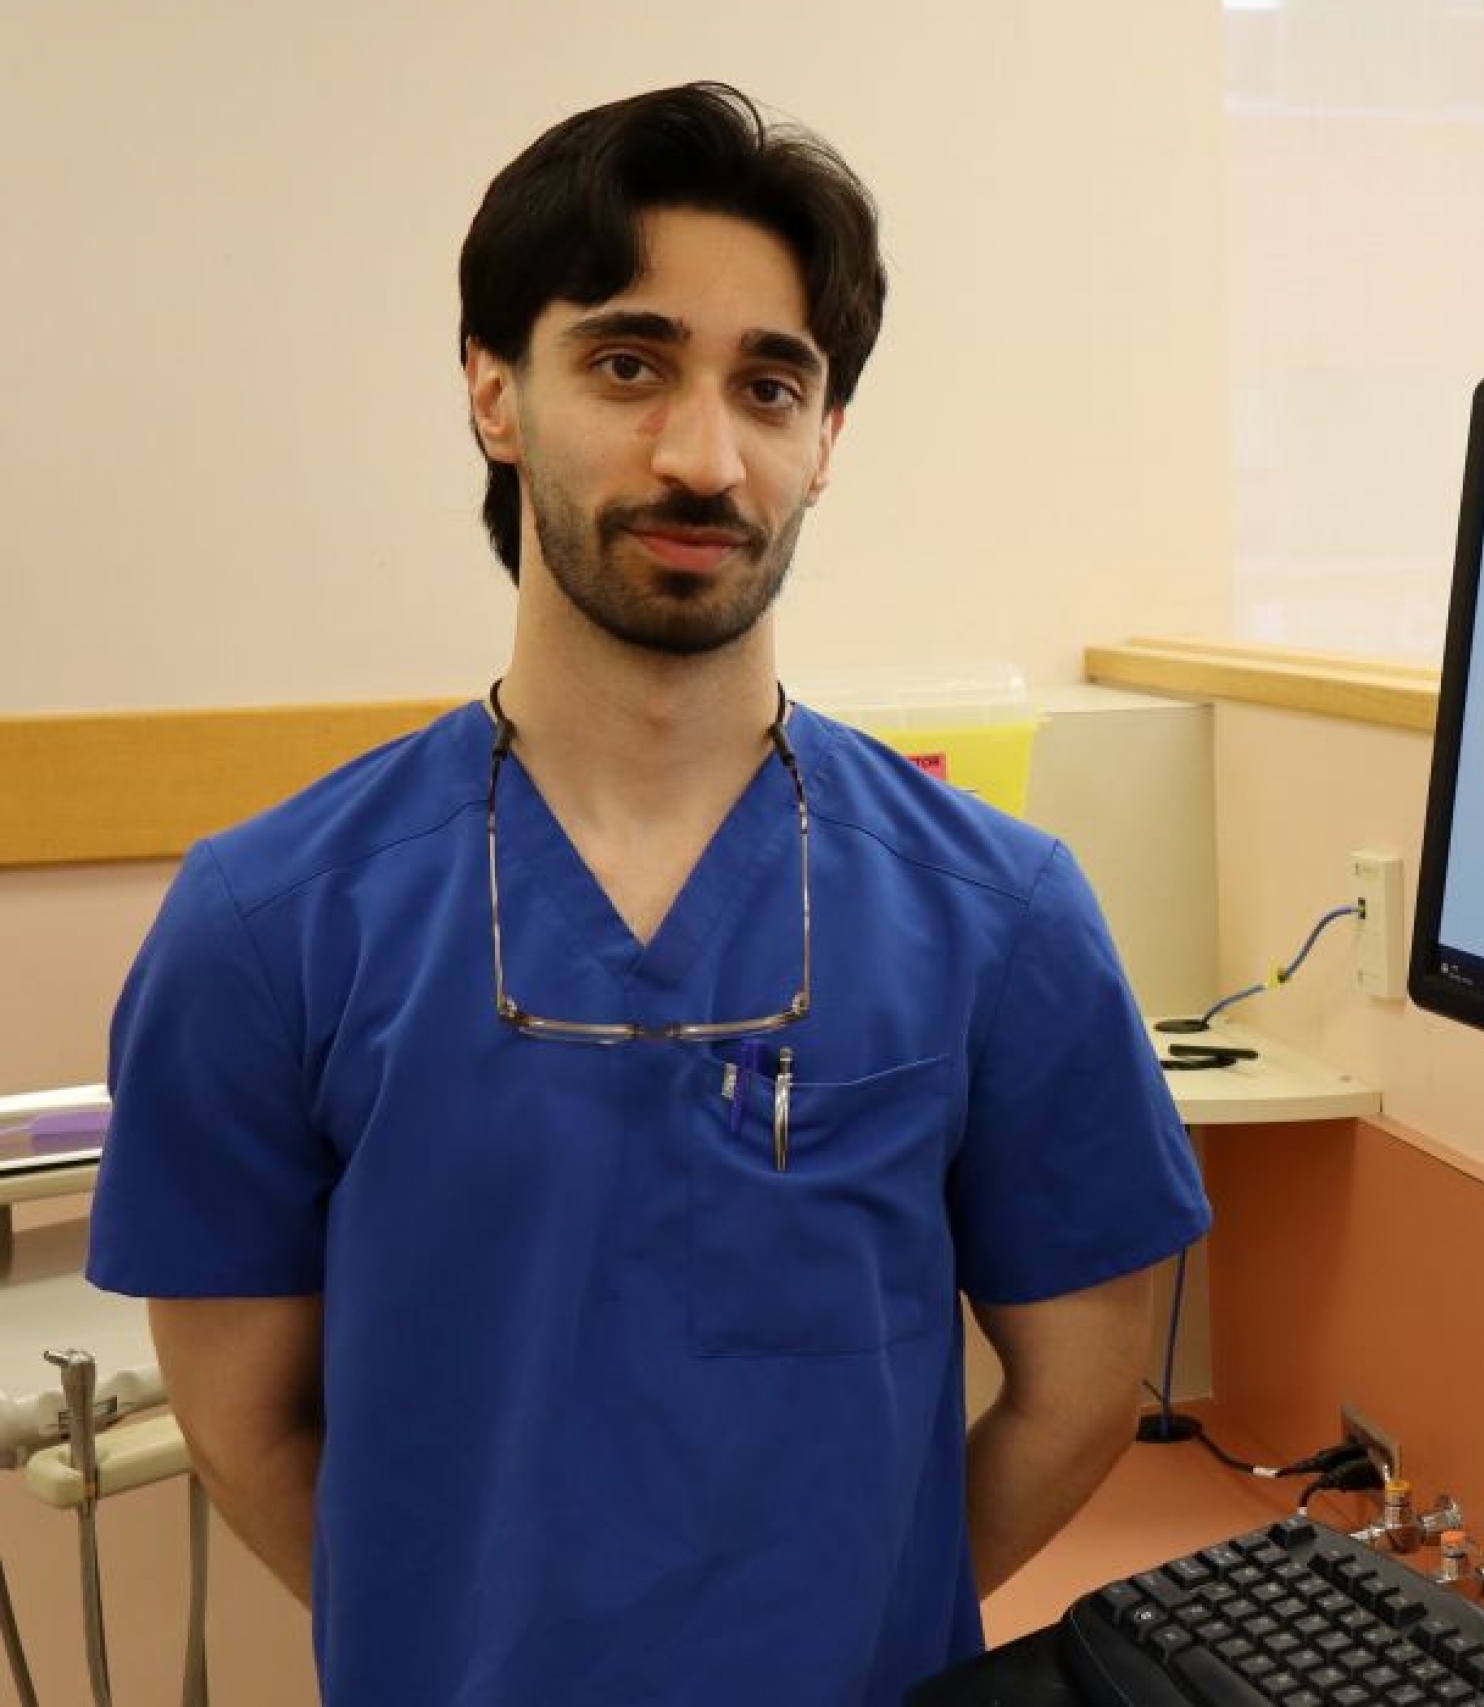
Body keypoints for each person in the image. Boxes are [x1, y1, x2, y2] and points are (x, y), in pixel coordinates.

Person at [86, 82, 1210, 1705]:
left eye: (771, 385)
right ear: (495, 392)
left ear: (825, 443)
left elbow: (1082, 1392)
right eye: (629, 365)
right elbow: (244, 1415)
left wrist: (859, 1633)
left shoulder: (1003, 916)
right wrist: (447, 1640)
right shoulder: (270, 924)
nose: (703, 454)